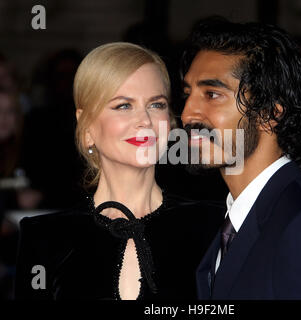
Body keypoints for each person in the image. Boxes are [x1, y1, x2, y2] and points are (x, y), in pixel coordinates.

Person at [180, 17, 301, 299]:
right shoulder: (230, 222)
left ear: (270, 113)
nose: (187, 114)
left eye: (212, 94)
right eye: (187, 94)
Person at [15, 42, 224, 300]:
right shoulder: (45, 237)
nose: (145, 121)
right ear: (87, 124)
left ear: (170, 123)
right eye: (123, 105)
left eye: (156, 104)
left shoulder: (213, 226)